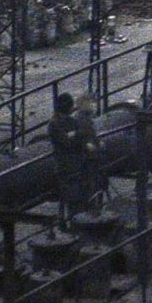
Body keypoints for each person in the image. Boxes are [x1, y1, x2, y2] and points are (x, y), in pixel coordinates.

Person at [49, 92, 85, 226]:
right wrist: (75, 136)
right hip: (65, 165)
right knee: (70, 197)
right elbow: (68, 142)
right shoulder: (55, 124)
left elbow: (78, 137)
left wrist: (73, 136)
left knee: (74, 196)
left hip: (72, 163)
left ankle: (73, 221)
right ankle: (70, 223)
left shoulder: (64, 122)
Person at [72, 97, 105, 212]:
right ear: (81, 105)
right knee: (86, 182)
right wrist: (86, 145)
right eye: (89, 103)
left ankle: (94, 205)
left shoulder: (89, 117)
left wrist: (97, 141)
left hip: (92, 155)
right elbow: (76, 137)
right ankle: (86, 207)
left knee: (94, 181)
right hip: (84, 156)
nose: (92, 105)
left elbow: (93, 133)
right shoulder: (77, 119)